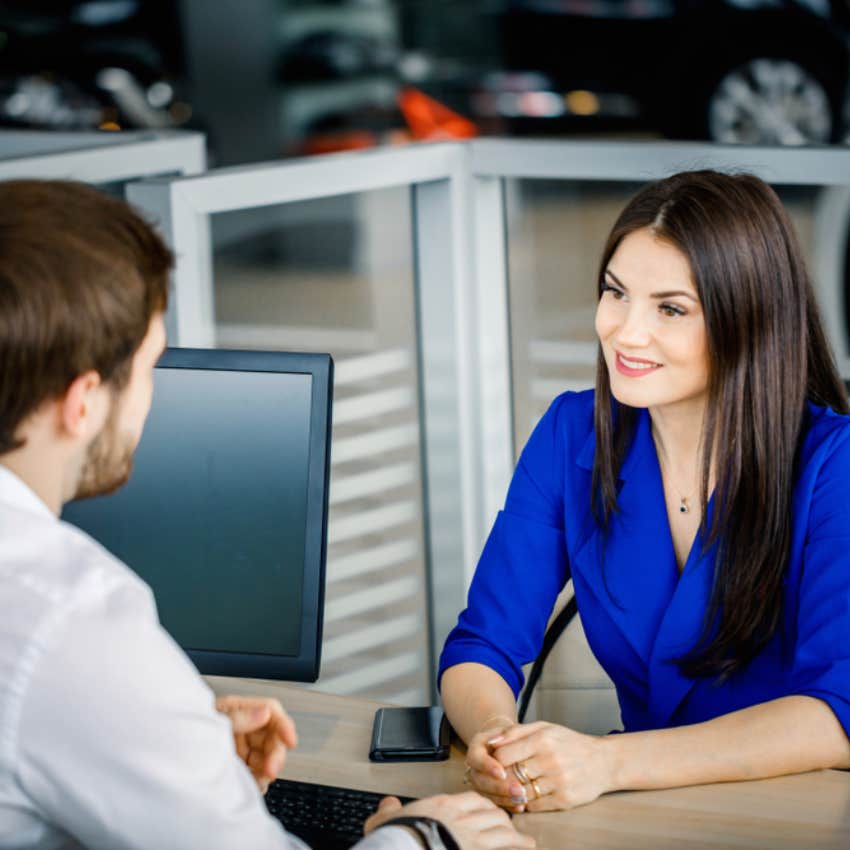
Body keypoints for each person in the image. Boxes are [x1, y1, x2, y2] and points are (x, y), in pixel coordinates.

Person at [0, 179, 535, 850]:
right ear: (82, 403)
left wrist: (172, 751)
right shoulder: (74, 622)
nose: (153, 400)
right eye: (148, 369)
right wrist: (425, 835)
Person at [439, 170, 850, 813]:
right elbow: (481, 647)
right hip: (639, 811)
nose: (626, 333)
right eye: (615, 293)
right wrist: (498, 740)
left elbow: (837, 714)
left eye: (671, 308)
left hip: (797, 821)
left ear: (750, 321)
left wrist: (606, 760)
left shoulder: (834, 465)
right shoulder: (571, 434)